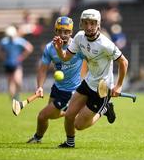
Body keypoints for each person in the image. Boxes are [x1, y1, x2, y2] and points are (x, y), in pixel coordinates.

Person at [53, 9, 128, 148]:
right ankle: (70, 143)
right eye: (86, 23)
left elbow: (124, 62)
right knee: (69, 115)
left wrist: (118, 86)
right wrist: (58, 49)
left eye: (92, 23)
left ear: (98, 24)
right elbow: (65, 57)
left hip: (102, 89)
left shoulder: (105, 44)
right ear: (81, 24)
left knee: (79, 125)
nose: (89, 27)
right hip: (88, 83)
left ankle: (104, 108)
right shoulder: (79, 37)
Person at [27, 16, 86, 143]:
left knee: (42, 116)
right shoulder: (50, 48)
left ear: (71, 32)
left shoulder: (78, 48)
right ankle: (69, 111)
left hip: (71, 91)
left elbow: (90, 61)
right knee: (49, 115)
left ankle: (37, 138)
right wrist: (40, 87)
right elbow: (42, 69)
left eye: (66, 32)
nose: (63, 34)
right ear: (56, 31)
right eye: (59, 31)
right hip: (57, 87)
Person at [0, 25, 34, 99]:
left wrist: (22, 57)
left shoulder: (19, 41)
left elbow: (29, 48)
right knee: (10, 82)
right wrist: (3, 57)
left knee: (18, 81)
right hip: (7, 64)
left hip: (16, 64)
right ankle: (13, 98)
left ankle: (17, 94)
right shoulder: (4, 41)